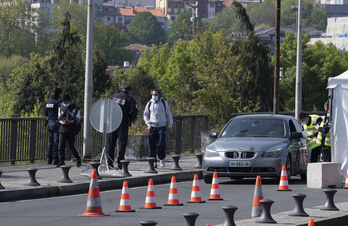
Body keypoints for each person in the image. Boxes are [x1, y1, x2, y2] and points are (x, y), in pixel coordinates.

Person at [107, 84, 138, 169]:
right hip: (122, 123)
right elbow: (133, 112)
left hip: (112, 123)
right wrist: (129, 120)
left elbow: (107, 107)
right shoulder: (129, 99)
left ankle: (109, 163)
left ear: (122, 89)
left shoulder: (113, 96)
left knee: (111, 144)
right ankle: (120, 163)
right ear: (129, 91)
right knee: (122, 143)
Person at [143, 88, 173, 168]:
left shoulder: (163, 103)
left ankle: (162, 158)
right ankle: (153, 161)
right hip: (152, 126)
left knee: (161, 143)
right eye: (153, 94)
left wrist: (170, 125)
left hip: (162, 126)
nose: (154, 96)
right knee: (152, 144)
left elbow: (169, 115)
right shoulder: (149, 103)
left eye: (156, 95)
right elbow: (145, 114)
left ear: (159, 95)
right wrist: (148, 124)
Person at [57, 94, 82, 167]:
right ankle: (61, 160)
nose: (65, 104)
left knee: (72, 146)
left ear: (69, 101)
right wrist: (63, 122)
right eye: (64, 102)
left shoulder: (75, 108)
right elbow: (59, 119)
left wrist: (70, 121)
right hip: (62, 129)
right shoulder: (60, 108)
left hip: (71, 129)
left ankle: (78, 159)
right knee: (61, 145)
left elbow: (77, 119)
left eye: (66, 102)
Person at [44, 88, 63, 165]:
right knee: (56, 142)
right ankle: (55, 158)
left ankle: (49, 158)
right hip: (56, 123)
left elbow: (46, 113)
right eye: (61, 93)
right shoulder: (58, 102)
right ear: (59, 94)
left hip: (49, 123)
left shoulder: (49, 102)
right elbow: (62, 112)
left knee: (50, 142)